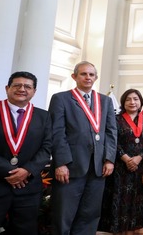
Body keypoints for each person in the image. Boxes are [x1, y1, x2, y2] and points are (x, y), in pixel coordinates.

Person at [0, 71, 52, 235]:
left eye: (27, 86)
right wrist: (11, 172)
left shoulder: (44, 117)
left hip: (28, 189)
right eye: (17, 85)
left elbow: (47, 147)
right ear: (7, 88)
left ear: (34, 91)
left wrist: (27, 171)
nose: (22, 89)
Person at [49, 61, 117, 235]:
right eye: (83, 74)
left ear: (96, 77)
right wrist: (61, 163)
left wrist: (109, 159)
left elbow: (111, 132)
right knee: (63, 215)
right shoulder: (61, 98)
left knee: (90, 215)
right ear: (74, 76)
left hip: (98, 168)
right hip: (70, 166)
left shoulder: (105, 100)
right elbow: (57, 133)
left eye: (91, 75)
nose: (88, 77)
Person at [99, 89, 143, 235]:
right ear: (123, 102)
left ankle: (134, 231)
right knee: (120, 201)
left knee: (138, 201)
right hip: (119, 168)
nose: (132, 102)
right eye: (128, 99)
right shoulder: (115, 118)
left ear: (141, 101)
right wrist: (125, 158)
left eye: (135, 99)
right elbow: (111, 140)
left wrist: (139, 157)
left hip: (140, 168)